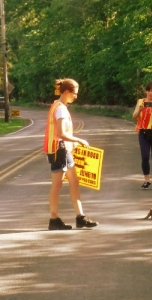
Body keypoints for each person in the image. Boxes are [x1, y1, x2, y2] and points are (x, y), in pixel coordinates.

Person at [43, 78, 98, 230]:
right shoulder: (60, 108)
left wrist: (73, 145)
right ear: (66, 92)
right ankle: (53, 219)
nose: (76, 96)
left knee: (74, 182)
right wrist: (79, 140)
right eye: (74, 93)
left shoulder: (59, 106)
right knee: (57, 185)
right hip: (59, 149)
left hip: (64, 150)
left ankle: (80, 217)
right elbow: (61, 133)